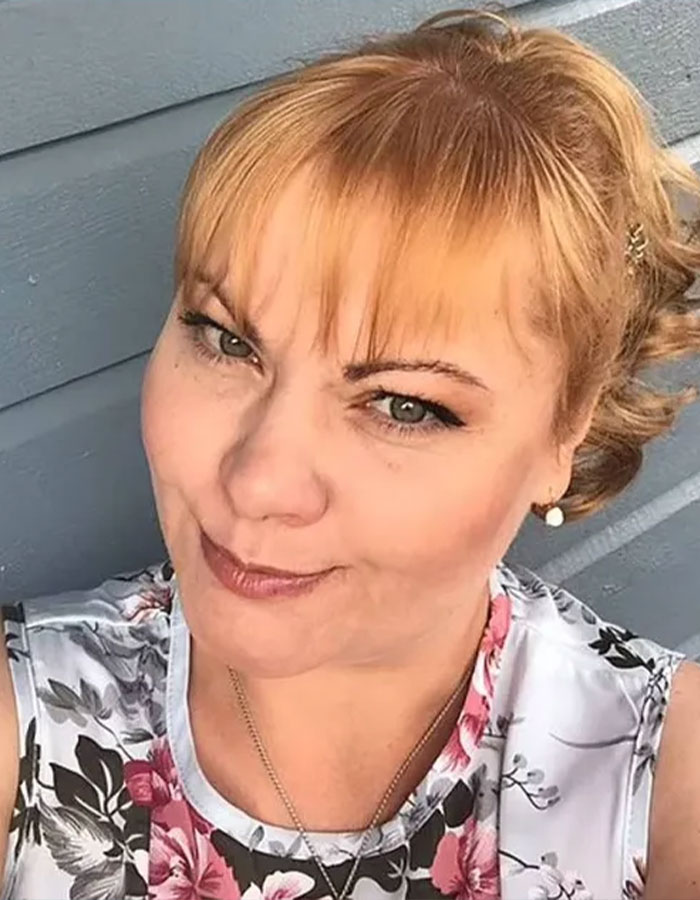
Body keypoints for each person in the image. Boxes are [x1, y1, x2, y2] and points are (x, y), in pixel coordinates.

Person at [2, 7, 700, 899]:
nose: (258, 481)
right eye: (226, 340)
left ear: (565, 435)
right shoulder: (28, 721)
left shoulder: (663, 777)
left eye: (404, 405)